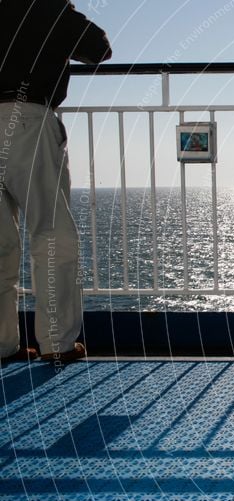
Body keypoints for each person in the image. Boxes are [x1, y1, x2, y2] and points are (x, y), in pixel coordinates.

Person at [0, 1, 112, 364]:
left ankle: (3, 344)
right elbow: (100, 50)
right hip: (27, 121)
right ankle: (56, 342)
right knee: (51, 235)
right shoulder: (48, 9)